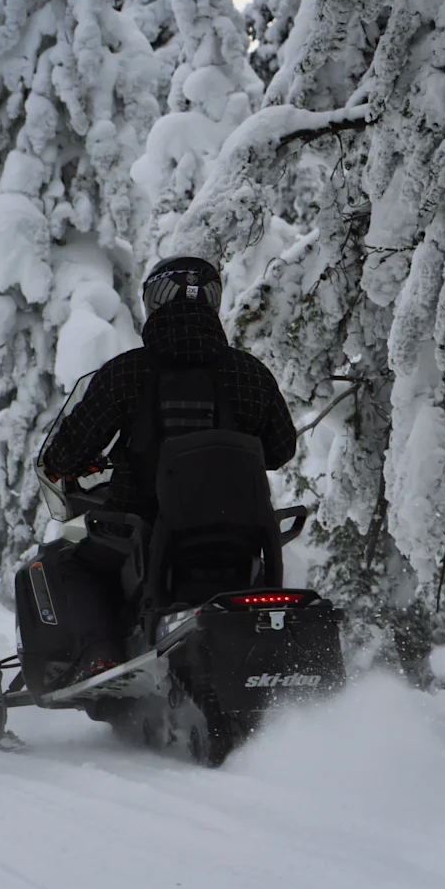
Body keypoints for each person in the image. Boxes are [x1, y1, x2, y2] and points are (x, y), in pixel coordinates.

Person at [30, 255, 297, 678]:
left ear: (153, 304)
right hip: (240, 532)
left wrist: (77, 463)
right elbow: (282, 449)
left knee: (67, 561)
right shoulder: (251, 374)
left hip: (146, 528)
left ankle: (101, 655)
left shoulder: (127, 373)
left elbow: (65, 453)